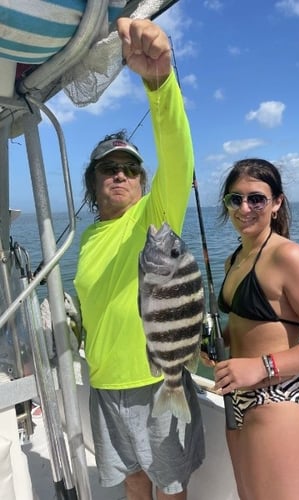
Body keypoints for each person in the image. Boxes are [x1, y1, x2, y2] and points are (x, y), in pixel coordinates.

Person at [74, 18, 205, 500]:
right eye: (110, 168)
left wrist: (159, 84)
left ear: (144, 182)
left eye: (131, 168)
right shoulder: (88, 239)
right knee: (133, 483)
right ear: (94, 182)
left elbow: (178, 156)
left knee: (170, 489)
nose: (121, 174)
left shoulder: (155, 218)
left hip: (157, 380)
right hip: (105, 385)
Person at [208, 158, 299, 500]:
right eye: (235, 199)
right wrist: (217, 341)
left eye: (256, 198)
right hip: (238, 399)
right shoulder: (235, 259)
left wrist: (260, 366)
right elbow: (250, 322)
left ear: (276, 203)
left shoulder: (289, 256)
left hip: (279, 399)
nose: (245, 208)